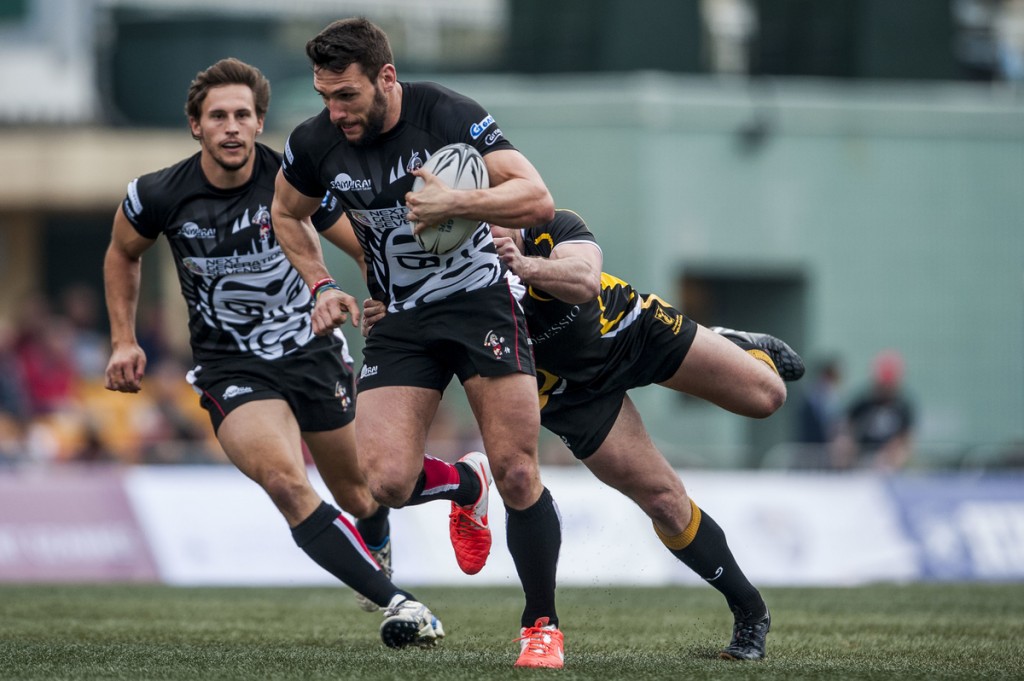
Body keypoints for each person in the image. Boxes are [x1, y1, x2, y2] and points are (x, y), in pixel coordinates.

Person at [102, 57, 443, 648]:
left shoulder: (297, 181)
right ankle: (402, 603)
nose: (230, 127)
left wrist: (377, 298)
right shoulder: (156, 193)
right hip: (230, 368)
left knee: (361, 493)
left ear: (260, 123)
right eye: (217, 117)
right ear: (195, 126)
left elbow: (365, 246)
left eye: (242, 115)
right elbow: (121, 253)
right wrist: (123, 339)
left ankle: (421, 514)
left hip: (311, 355)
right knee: (287, 484)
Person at [270, 18, 565, 669]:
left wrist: (458, 202)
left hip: (480, 302)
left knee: (519, 469)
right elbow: (286, 212)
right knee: (386, 481)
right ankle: (464, 484)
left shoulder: (447, 113)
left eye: (346, 95)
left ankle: (540, 624)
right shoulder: (316, 142)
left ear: (386, 77)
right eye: (325, 96)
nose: (335, 110)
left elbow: (537, 198)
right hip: (401, 317)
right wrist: (321, 282)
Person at [483, 209, 802, 661]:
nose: (488, 229)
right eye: (473, 222)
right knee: (663, 503)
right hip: (570, 396)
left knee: (768, 398)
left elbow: (585, 278)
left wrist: (525, 264)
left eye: (492, 215)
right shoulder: (459, 282)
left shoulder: (551, 225)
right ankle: (750, 611)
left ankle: (736, 344)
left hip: (631, 331)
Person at [838, 350, 914, 471]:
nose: (886, 389)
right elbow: (845, 428)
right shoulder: (863, 403)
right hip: (860, 460)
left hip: (890, 464)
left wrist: (893, 453)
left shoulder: (902, 407)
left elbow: (906, 440)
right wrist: (847, 444)